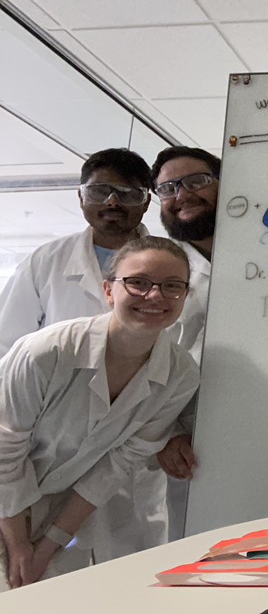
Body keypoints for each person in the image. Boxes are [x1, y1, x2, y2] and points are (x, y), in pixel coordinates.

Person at [0, 237, 200, 588]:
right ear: (109, 291)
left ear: (185, 295)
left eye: (172, 286)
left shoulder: (180, 375)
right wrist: (18, 546)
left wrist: (48, 546)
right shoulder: (46, 353)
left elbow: (117, 464)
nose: (155, 296)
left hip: (61, 507)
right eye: (138, 282)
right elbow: (4, 455)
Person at [0, 148, 151, 358]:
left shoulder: (174, 265)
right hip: (52, 389)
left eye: (127, 193)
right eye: (99, 191)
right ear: (81, 198)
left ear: (146, 202)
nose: (112, 202)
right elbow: (6, 344)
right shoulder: (45, 261)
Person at [148, 146, 220, 537]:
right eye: (168, 188)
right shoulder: (161, 268)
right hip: (191, 442)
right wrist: (166, 432)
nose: (183, 195)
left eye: (197, 181)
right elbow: (142, 360)